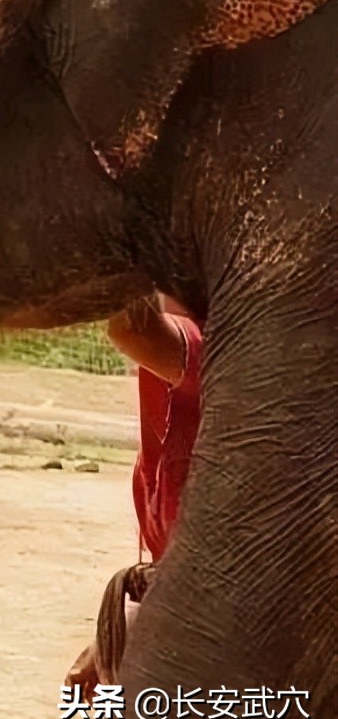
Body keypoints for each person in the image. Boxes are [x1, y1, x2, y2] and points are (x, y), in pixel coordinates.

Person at [65, 293, 203, 691]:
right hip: (185, 615)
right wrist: (120, 631)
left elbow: (135, 329)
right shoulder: (173, 380)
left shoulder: (223, 349)